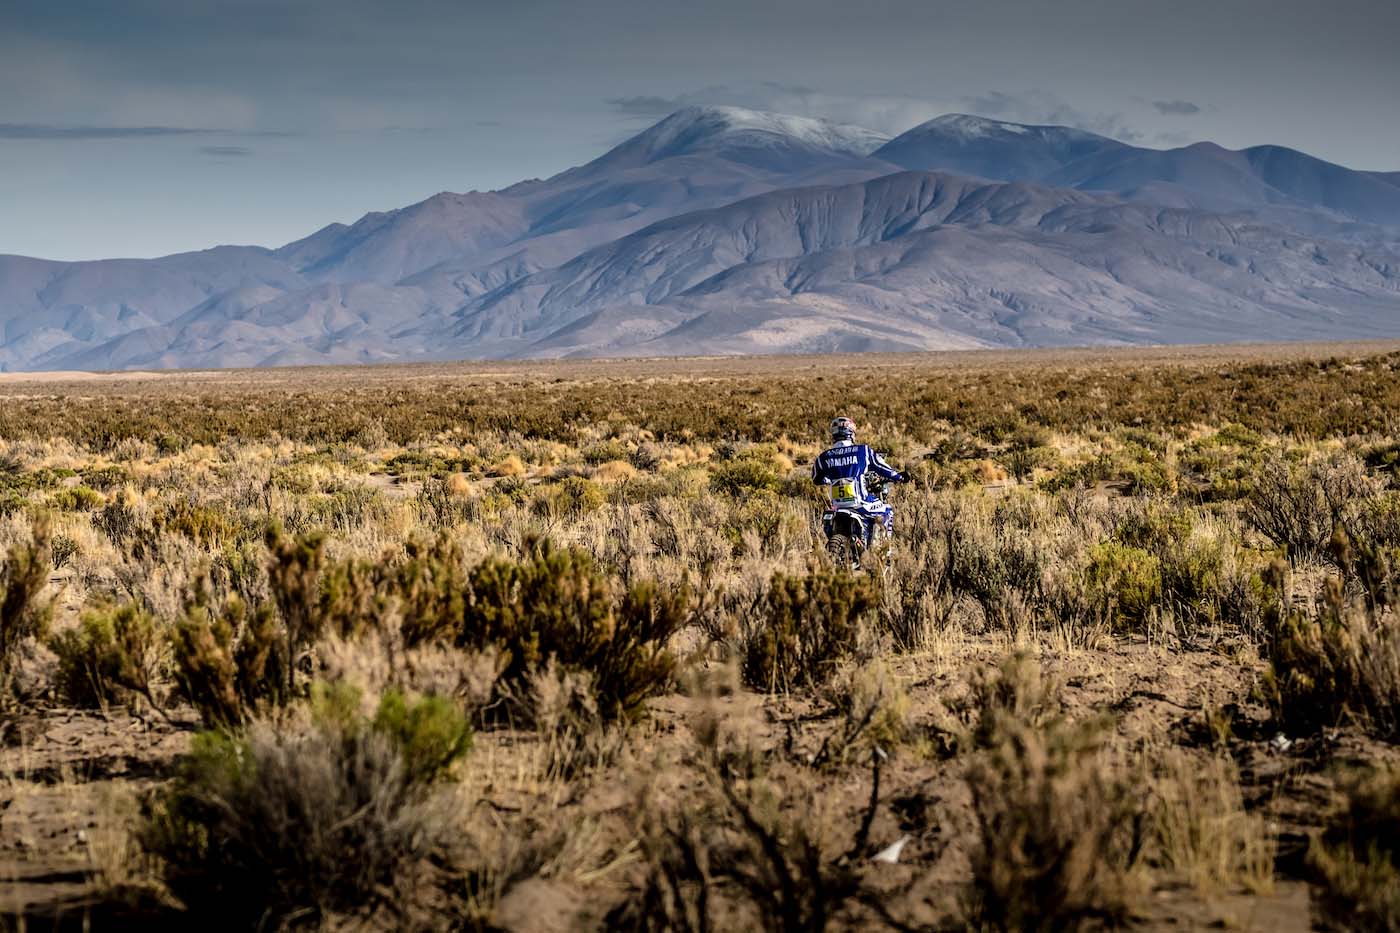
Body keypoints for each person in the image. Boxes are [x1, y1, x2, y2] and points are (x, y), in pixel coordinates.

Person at [811, 415, 906, 544]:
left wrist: (829, 480)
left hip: (837, 505)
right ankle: (883, 549)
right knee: (886, 510)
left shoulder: (823, 457)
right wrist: (899, 477)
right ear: (851, 433)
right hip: (860, 503)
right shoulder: (863, 451)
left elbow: (816, 478)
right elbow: (881, 467)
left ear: (833, 434)